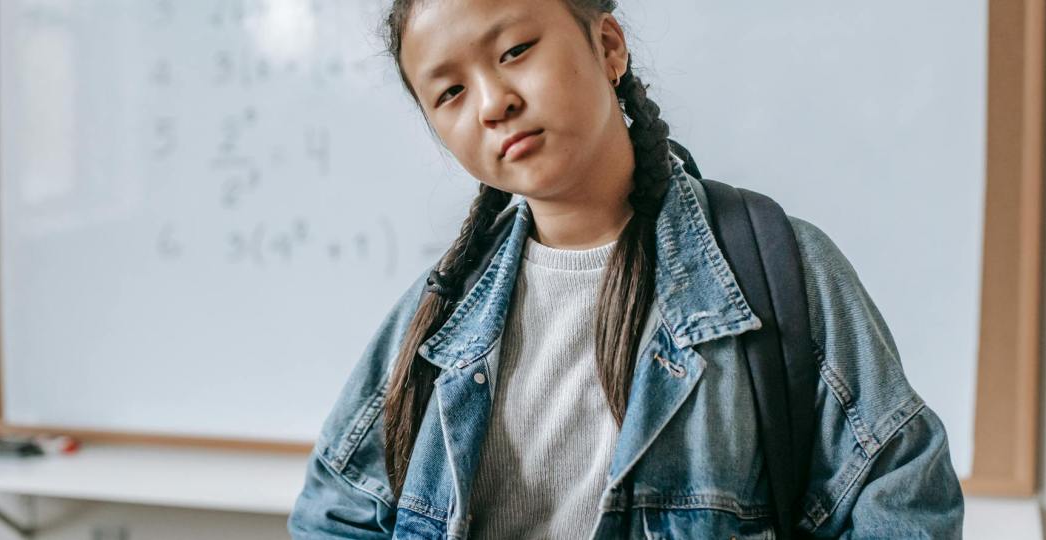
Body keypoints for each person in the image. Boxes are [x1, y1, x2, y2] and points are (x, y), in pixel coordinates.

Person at [288, 0, 965, 538]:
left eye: (515, 50)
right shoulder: (440, 317)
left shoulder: (773, 268)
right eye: (450, 92)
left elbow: (903, 499)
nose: (494, 102)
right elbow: (333, 517)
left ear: (608, 46)